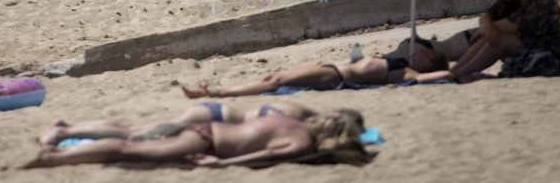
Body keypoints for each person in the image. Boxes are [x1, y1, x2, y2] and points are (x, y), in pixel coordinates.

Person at [23, 111, 370, 169]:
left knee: (135, 133)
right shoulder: (302, 144)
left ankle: (67, 134)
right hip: (207, 145)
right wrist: (221, 163)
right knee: (134, 150)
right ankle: (56, 159)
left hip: (207, 127)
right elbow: (259, 157)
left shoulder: (289, 119)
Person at [179, 45, 449, 98]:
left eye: (427, 55)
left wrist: (463, 70)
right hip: (329, 68)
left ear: (428, 65)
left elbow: (442, 76)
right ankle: (216, 92)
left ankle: (215, 92)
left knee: (273, 80)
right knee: (273, 78)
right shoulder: (402, 62)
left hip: (335, 77)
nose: (422, 52)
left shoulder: (408, 75)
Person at [37, 100, 320, 147]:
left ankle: (70, 125)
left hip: (213, 112)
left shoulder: (297, 110)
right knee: (137, 133)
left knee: (134, 126)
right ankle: (67, 131)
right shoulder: (294, 122)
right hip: (212, 118)